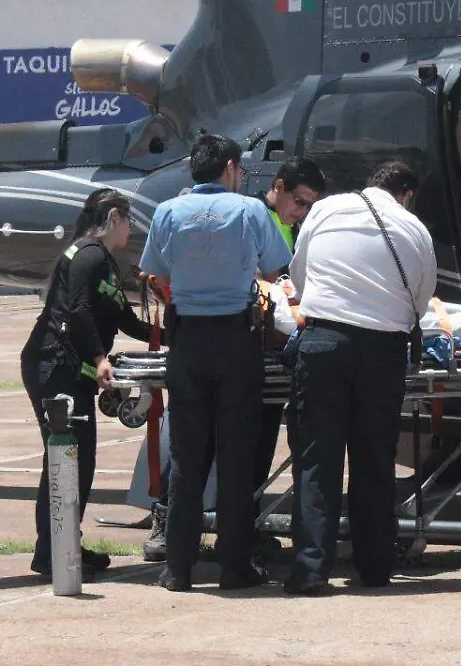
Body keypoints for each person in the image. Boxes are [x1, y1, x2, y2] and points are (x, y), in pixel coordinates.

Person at [139, 156, 326, 564]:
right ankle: (225, 557)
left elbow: (156, 274)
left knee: (207, 453)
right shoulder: (251, 212)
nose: (302, 211)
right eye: (299, 201)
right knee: (226, 453)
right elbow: (277, 274)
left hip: (205, 343)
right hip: (238, 342)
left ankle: (191, 559)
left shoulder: (171, 211)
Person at [284, 160, 436, 594]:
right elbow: (421, 300)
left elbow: (299, 276)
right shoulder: (414, 228)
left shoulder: (326, 209)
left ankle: (311, 569)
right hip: (384, 351)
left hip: (325, 341)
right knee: (374, 460)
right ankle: (374, 568)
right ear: (407, 195)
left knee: (318, 459)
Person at [20, 188, 152, 582]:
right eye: (128, 220)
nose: (130, 228)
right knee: (66, 459)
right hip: (55, 365)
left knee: (78, 460)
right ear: (114, 217)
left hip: (67, 369)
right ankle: (53, 553)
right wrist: (99, 360)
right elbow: (78, 310)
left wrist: (171, 334)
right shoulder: (89, 255)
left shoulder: (103, 261)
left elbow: (124, 318)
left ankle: (64, 544)